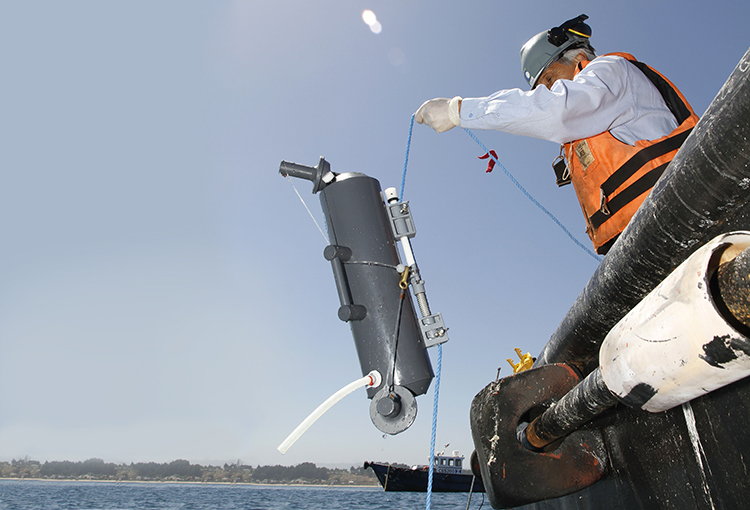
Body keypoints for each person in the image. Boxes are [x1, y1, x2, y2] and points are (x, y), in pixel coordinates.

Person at [414, 14, 698, 255]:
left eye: (550, 79)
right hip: (641, 237)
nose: (548, 92)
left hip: (680, 212)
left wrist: (458, 111)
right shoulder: (592, 112)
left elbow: (555, 111)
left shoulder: (609, 71)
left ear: (579, 57)